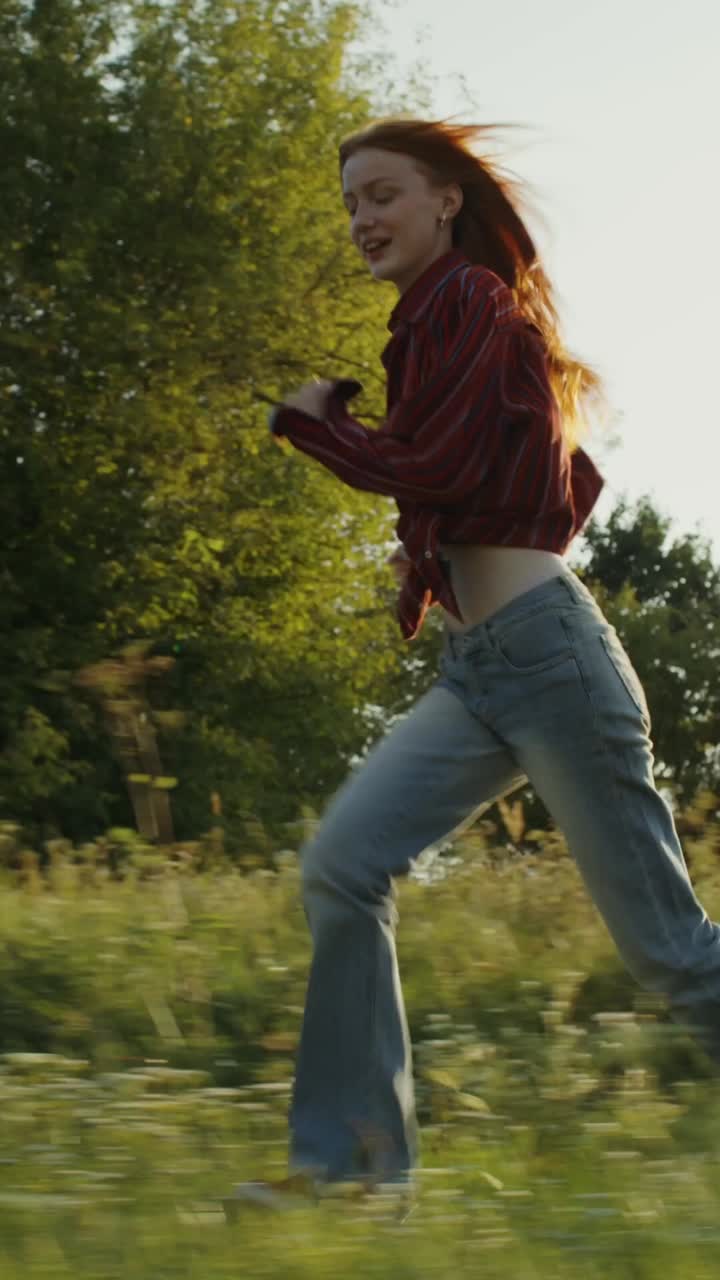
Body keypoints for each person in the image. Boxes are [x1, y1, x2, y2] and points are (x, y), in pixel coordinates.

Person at [226, 117, 720, 1215]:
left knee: (674, 955)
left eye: (383, 194)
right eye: (351, 201)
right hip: (483, 667)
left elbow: (439, 463)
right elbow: (551, 478)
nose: (362, 219)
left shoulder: (477, 309)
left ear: (448, 199)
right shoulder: (439, 326)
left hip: (551, 663)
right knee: (343, 864)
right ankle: (353, 1177)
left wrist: (314, 427)